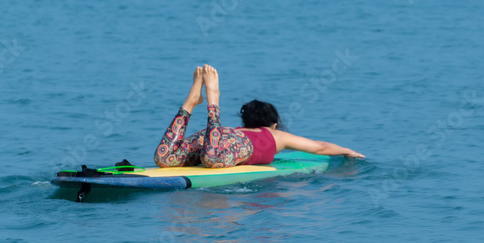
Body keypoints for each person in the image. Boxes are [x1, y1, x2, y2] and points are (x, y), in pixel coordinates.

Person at [154, 65, 364, 168]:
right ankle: (213, 99)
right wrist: (347, 150)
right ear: (273, 124)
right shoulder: (275, 135)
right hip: (220, 146)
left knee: (163, 158)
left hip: (216, 136)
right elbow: (320, 147)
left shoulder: (236, 130)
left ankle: (190, 103)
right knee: (211, 159)